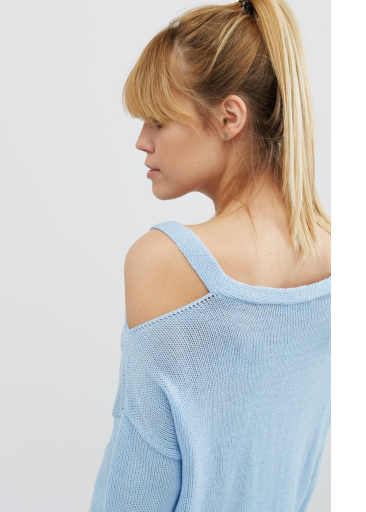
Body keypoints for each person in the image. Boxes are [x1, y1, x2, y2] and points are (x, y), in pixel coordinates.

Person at [88, 0, 331, 510]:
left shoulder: (164, 262)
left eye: (158, 120)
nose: (142, 141)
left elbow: (136, 490)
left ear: (229, 117)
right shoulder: (335, 256)